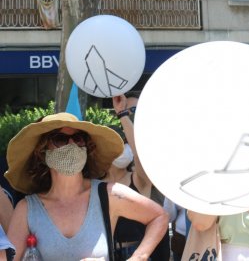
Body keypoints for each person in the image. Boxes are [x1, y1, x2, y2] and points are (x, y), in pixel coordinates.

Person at [5, 112, 169, 260]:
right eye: (60, 139)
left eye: (78, 139)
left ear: (86, 146)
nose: (71, 145)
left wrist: (138, 257)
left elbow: (159, 216)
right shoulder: (27, 209)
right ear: (42, 152)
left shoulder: (108, 194)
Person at [106, 94, 171, 260]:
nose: (123, 149)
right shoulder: (95, 184)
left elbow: (140, 154)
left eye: (125, 143)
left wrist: (123, 116)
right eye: (116, 146)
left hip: (136, 254)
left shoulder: (138, 180)